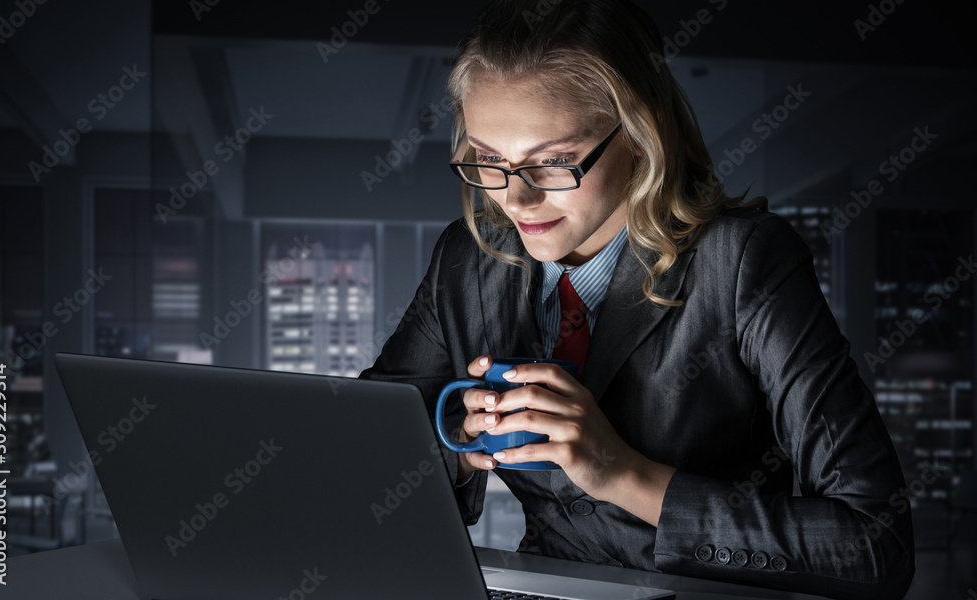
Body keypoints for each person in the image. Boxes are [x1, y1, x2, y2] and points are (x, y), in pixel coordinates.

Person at [360, 1, 914, 598]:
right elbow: (363, 463)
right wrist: (465, 449)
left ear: (640, 136)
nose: (514, 201)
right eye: (489, 160)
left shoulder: (743, 262)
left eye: (552, 163)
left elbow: (875, 545)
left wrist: (624, 474)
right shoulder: (467, 261)